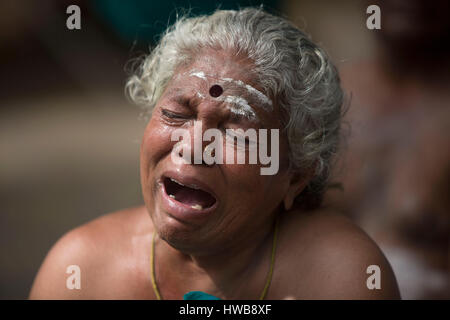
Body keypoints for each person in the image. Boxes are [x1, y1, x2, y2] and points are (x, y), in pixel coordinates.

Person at [29, 8, 399, 300]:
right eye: (176, 114)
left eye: (235, 132)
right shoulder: (80, 270)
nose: (193, 147)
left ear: (296, 176)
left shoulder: (340, 278)